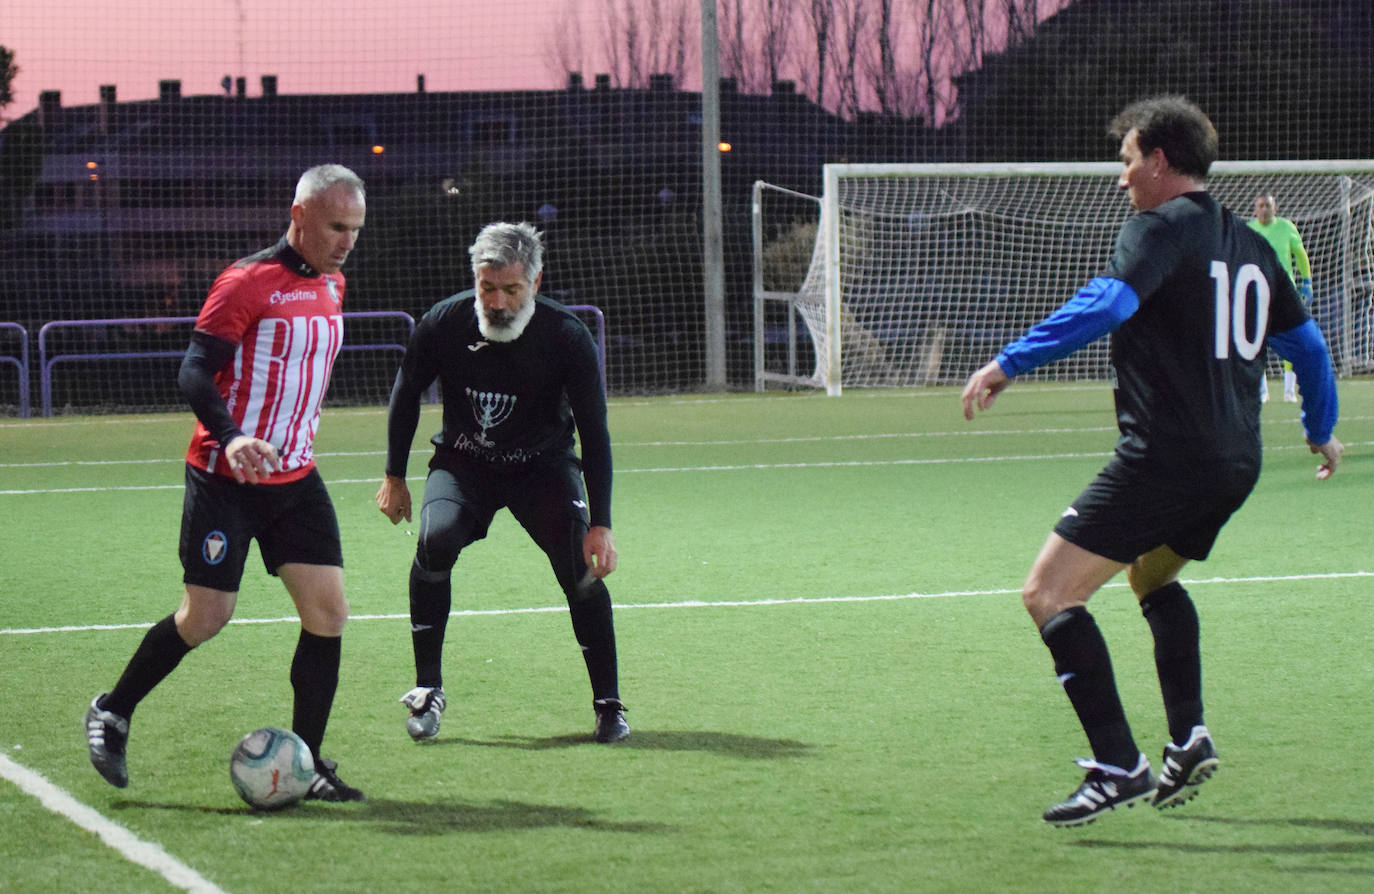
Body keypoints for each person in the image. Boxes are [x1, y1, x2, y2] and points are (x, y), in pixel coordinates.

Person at [960, 96, 1343, 827]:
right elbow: (1311, 349)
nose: (1122, 177)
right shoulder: (1252, 244)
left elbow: (1108, 306)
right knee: (1152, 574)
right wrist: (1320, 428)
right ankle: (1188, 737)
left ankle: (1117, 764)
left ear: (1161, 162)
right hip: (1235, 461)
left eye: (1128, 160)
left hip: (1165, 458)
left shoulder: (1159, 228)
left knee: (1048, 594)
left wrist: (1009, 361)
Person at [84, 164, 368, 802]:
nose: (346, 240)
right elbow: (192, 372)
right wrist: (234, 435)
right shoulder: (246, 282)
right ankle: (113, 709)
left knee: (328, 614)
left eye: (354, 228)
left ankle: (308, 765)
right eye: (335, 226)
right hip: (226, 478)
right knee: (206, 617)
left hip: (295, 478)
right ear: (298, 216)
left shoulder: (334, 283)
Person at [375, 221, 627, 744]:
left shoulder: (566, 337)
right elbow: (405, 392)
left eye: (511, 289)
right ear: (475, 280)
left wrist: (600, 523)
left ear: (535, 284)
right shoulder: (444, 323)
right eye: (487, 288)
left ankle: (608, 704)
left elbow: (596, 434)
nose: (498, 301)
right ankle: (427, 690)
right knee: (434, 539)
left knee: (580, 570)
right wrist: (394, 476)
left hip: (543, 467)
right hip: (465, 463)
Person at [1249, 194, 1314, 402]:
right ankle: (1261, 389)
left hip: (1285, 293)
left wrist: (1307, 282)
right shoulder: (1249, 230)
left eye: (1268, 205)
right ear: (1255, 210)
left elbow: (1300, 254)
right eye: (1261, 206)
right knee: (1257, 340)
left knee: (1290, 338)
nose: (1265, 209)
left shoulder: (1286, 227)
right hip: (1258, 292)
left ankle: (1288, 389)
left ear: (1275, 208)